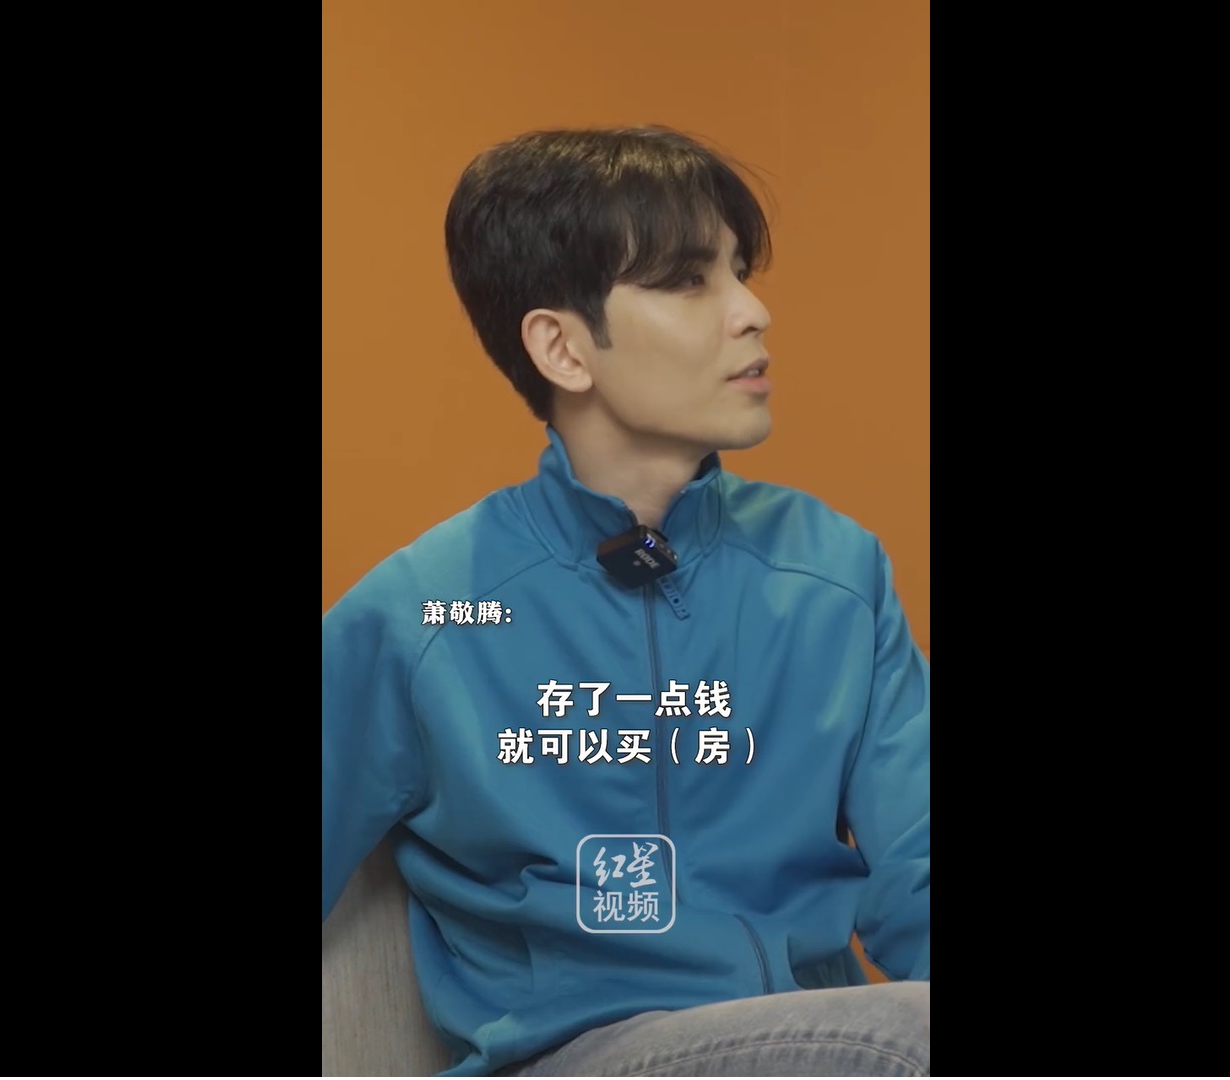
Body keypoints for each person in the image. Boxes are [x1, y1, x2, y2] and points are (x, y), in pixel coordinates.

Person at [321, 126, 931, 1077]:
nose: (753, 312)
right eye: (689, 280)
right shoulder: (426, 614)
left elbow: (918, 880)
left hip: (814, 1045)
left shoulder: (834, 572)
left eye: (739, 272)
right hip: (577, 1055)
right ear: (563, 347)